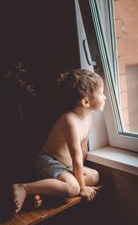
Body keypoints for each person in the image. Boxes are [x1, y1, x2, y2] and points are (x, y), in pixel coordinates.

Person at [12, 69, 106, 213]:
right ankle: (25, 187)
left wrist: (81, 177)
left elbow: (83, 148)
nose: (104, 97)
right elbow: (77, 156)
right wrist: (82, 188)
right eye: (100, 93)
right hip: (49, 162)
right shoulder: (70, 121)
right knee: (73, 188)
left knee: (94, 176)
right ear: (85, 101)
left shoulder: (88, 118)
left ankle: (46, 191)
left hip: (66, 166)